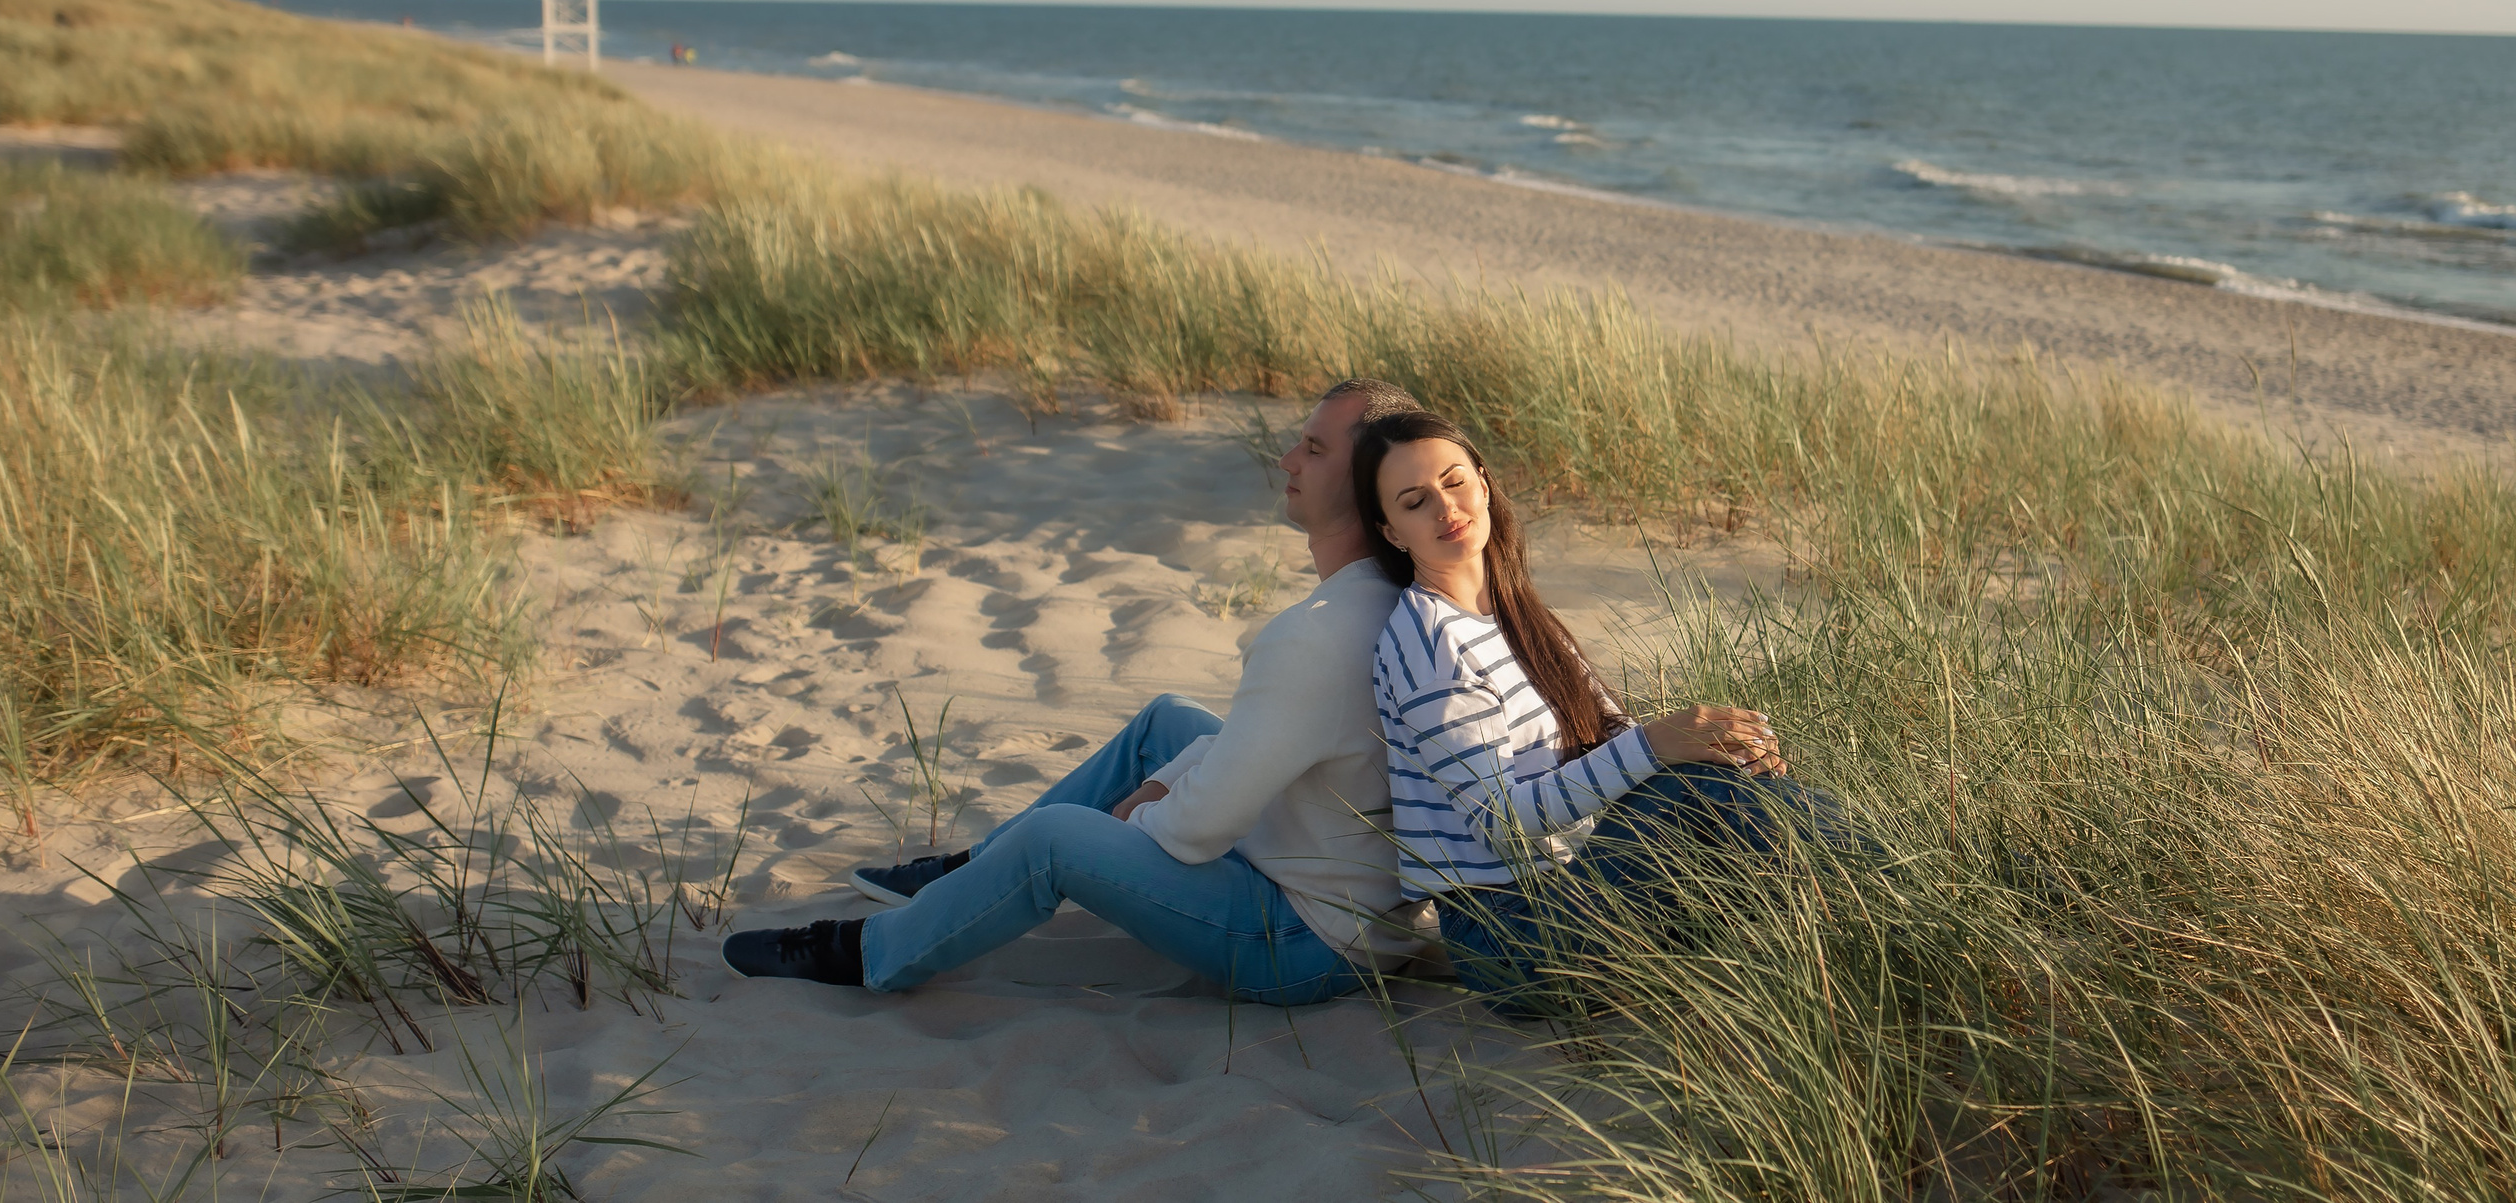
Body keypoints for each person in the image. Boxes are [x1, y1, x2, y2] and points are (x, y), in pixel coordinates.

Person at [722, 378, 1438, 1004]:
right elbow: (1260, 742)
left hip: (1304, 942)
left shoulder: (1316, 635)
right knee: (1170, 724)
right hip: (1348, 895)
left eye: (1313, 449)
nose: (1287, 459)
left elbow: (1199, 827)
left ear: (1370, 481)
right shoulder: (1379, 597)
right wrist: (1162, 786)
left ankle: (873, 952)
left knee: (1055, 839)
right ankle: (970, 871)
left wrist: (1133, 815)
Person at [1355, 408, 1863, 1009]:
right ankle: (1904, 894)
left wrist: (1722, 744)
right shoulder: (1427, 643)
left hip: (1582, 881)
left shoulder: (1517, 613)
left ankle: (1874, 918)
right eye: (1414, 501)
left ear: (1484, 484)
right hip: (1512, 936)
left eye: (1454, 480)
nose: (1445, 507)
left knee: (1725, 774)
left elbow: (1607, 737)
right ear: (1391, 531)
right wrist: (1654, 745)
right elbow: (1501, 823)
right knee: (1699, 789)